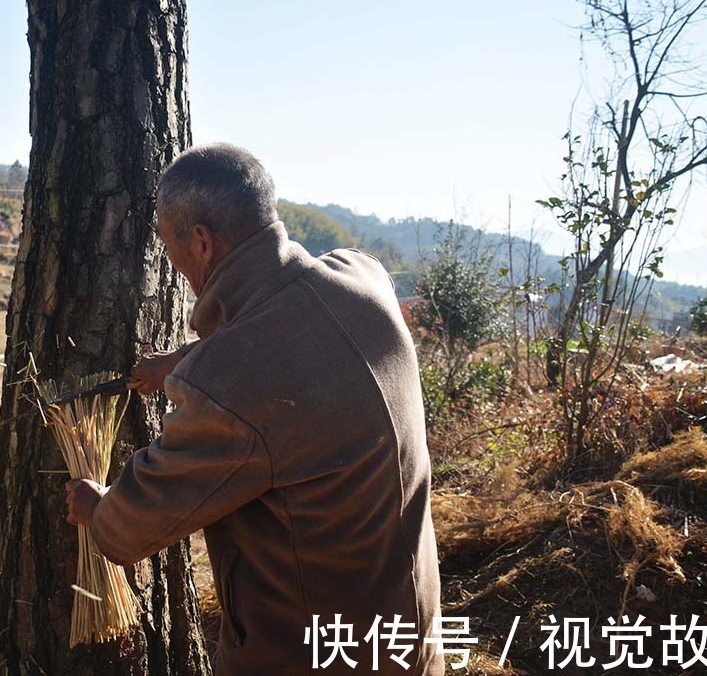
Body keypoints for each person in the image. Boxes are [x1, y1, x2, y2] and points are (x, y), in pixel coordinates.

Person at [65, 144, 445, 676]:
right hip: (411, 641)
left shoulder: (226, 390)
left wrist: (99, 509)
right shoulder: (366, 281)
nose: (172, 264)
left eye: (169, 245)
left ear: (200, 241)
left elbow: (131, 531)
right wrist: (187, 358)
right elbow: (299, 345)